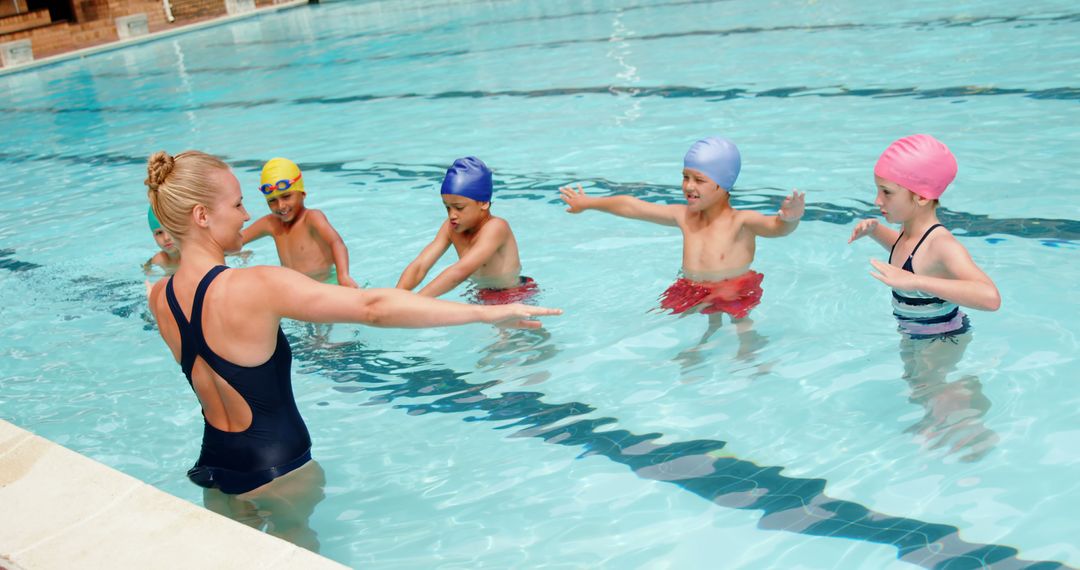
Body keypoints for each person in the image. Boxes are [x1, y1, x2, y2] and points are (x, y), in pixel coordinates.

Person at [144, 150, 559, 549]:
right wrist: (486, 316)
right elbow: (372, 308)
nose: (248, 214)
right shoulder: (255, 284)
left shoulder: (161, 297)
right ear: (201, 216)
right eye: (237, 204)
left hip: (215, 463)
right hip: (278, 470)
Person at [559, 137, 804, 345]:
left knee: (741, 324)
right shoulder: (684, 216)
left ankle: (749, 354)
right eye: (685, 177)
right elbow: (632, 206)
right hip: (692, 288)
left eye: (699, 179)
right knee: (656, 320)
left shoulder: (741, 221)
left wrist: (790, 219)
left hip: (732, 288)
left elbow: (776, 229)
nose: (688, 186)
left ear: (724, 183)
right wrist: (588, 203)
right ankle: (702, 342)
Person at [848, 134, 1001, 461]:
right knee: (916, 381)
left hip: (942, 337)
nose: (878, 200)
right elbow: (904, 254)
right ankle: (935, 420)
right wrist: (876, 232)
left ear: (920, 196)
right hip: (916, 334)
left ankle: (970, 433)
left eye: (886, 192)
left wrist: (917, 281)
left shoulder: (942, 245)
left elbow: (989, 297)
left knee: (931, 384)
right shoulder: (909, 232)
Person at [396, 157, 537, 304]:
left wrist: (415, 302)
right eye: (447, 207)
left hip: (514, 295)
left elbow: (461, 271)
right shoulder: (451, 227)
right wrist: (396, 296)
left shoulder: (496, 227)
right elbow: (420, 265)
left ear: (483, 203)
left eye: (459, 208)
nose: (452, 215)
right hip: (480, 293)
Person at [241, 157, 359, 288]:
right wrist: (233, 251)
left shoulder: (312, 218)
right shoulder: (271, 223)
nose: (280, 206)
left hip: (325, 285)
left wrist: (343, 276)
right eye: (272, 201)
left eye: (286, 196)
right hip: (294, 291)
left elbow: (336, 243)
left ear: (302, 194)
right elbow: (236, 240)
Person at [143, 206, 180, 276]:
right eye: (159, 233)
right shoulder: (158, 260)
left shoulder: (196, 256)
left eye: (170, 230)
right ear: (154, 236)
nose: (166, 238)